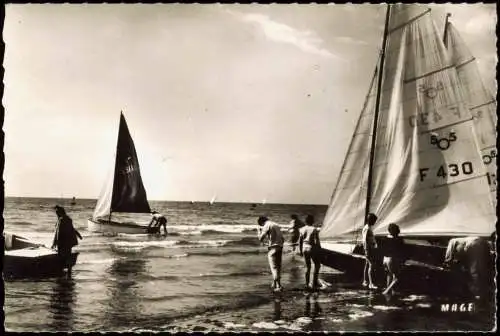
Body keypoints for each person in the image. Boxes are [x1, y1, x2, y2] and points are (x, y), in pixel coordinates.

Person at [52, 205, 82, 277]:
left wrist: (55, 243)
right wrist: (78, 235)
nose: (56, 214)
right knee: (67, 256)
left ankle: (62, 272)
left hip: (62, 242)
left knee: (62, 256)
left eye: (57, 212)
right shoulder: (68, 219)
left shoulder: (61, 220)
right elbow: (72, 228)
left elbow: (58, 232)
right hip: (68, 242)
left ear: (60, 212)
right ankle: (69, 272)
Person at [257, 216, 285, 292]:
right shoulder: (276, 225)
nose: (262, 226)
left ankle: (279, 286)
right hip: (280, 247)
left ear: (262, 222)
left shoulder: (267, 225)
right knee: (278, 267)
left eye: (261, 225)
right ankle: (275, 283)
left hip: (273, 249)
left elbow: (260, 238)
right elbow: (283, 239)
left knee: (274, 268)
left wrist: (259, 231)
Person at [299, 214, 322, 291]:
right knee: (317, 265)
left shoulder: (302, 229)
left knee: (308, 267)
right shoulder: (314, 229)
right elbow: (317, 240)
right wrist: (319, 248)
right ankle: (315, 281)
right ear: (312, 221)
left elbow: (300, 241)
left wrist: (300, 250)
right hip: (312, 248)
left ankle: (307, 283)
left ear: (305, 221)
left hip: (304, 248)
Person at [382, 223, 406, 295]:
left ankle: (389, 291)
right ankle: (386, 291)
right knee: (396, 278)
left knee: (389, 274)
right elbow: (401, 251)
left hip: (385, 259)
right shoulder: (398, 240)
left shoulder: (385, 238)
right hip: (391, 260)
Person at [362, 213, 378, 289]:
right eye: (374, 220)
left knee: (367, 265)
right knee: (371, 265)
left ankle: (365, 281)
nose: (375, 222)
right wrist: (367, 251)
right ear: (370, 220)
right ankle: (371, 284)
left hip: (369, 249)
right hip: (369, 250)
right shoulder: (367, 229)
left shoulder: (368, 228)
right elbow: (365, 241)